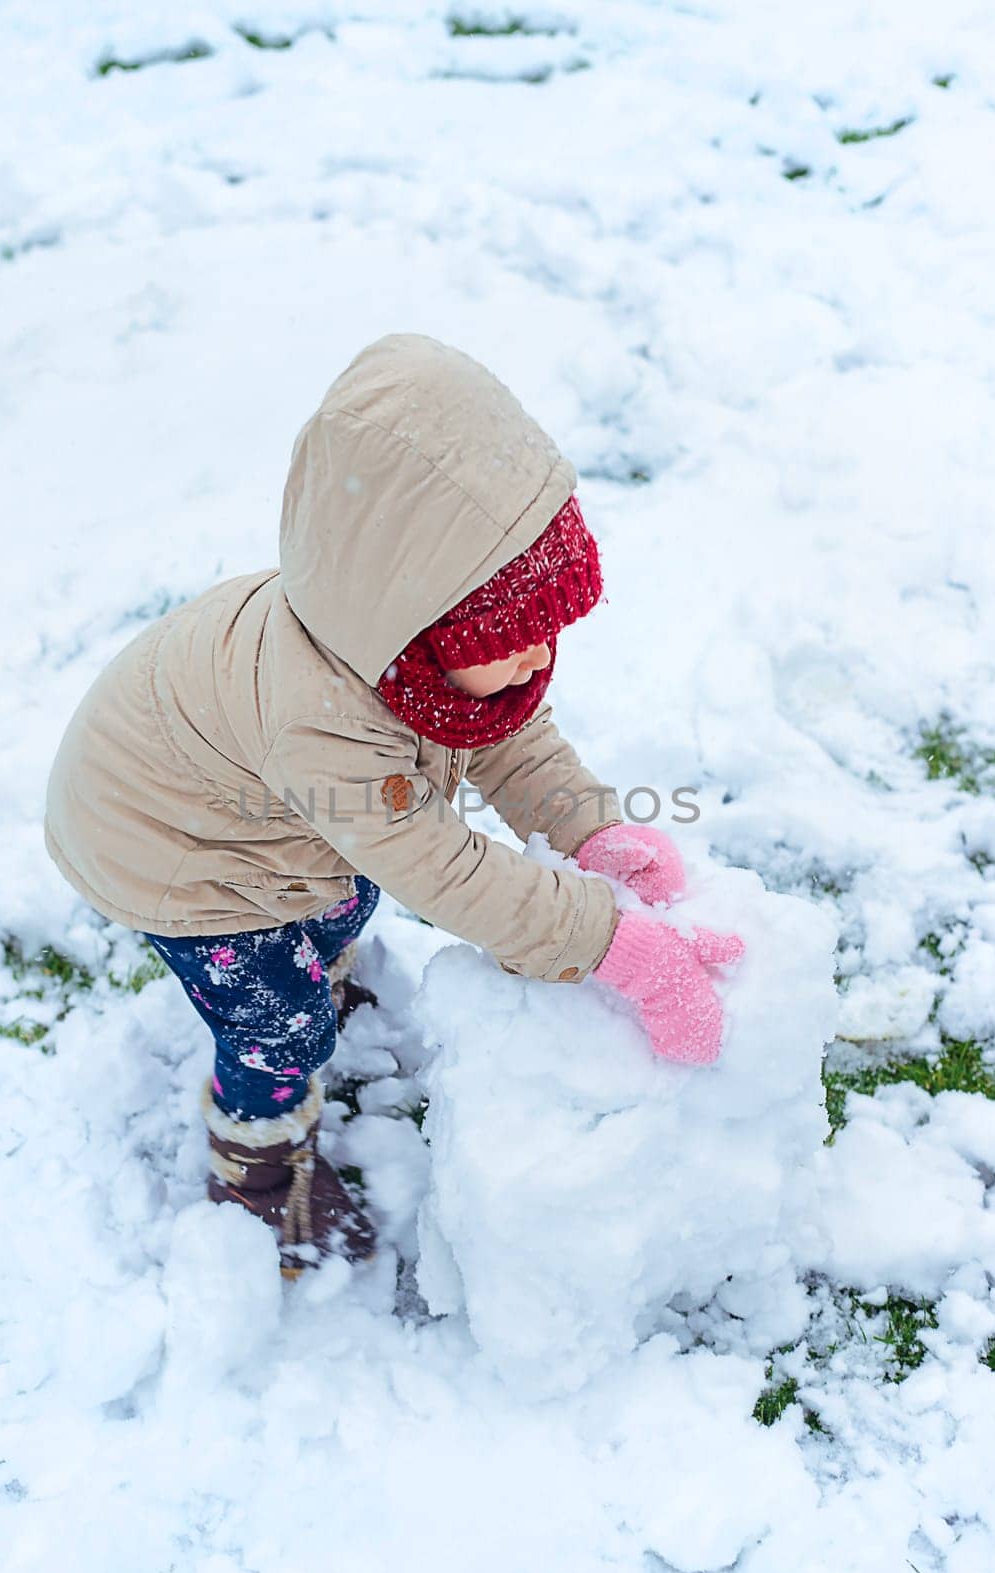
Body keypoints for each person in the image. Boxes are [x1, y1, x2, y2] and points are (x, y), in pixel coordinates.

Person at [44, 331, 743, 1279]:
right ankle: (256, 1168)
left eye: (550, 631)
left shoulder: (396, 647)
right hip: (173, 850)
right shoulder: (320, 719)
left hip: (271, 814)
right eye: (516, 635)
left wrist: (591, 829)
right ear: (420, 622)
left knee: (343, 902)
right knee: (278, 1021)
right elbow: (440, 867)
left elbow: (502, 737)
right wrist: (610, 945)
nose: (540, 658)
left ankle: (325, 967)